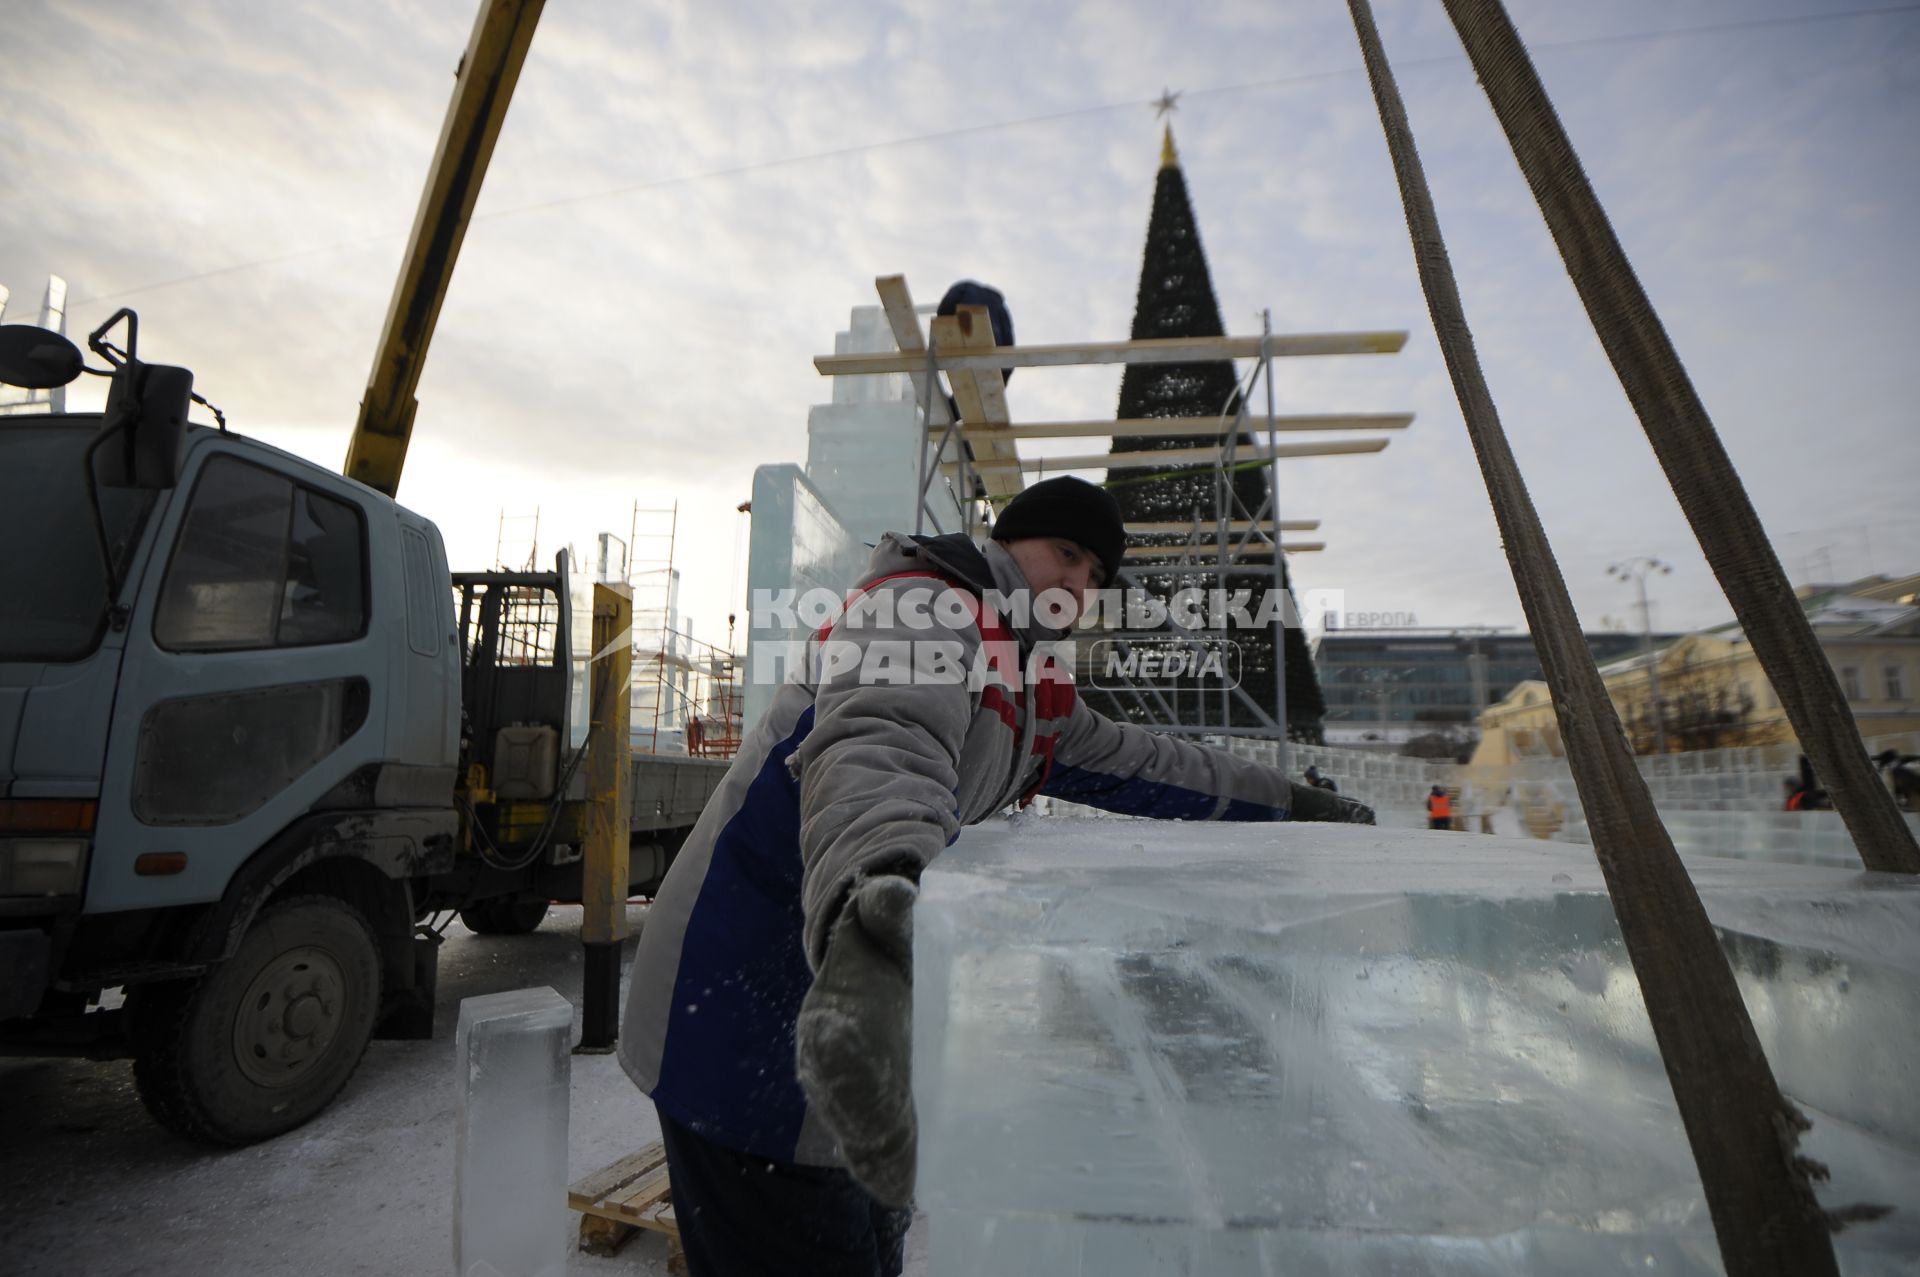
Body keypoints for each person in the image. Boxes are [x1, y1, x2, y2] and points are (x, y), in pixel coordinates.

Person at [617, 476, 1372, 1277]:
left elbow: (1154, 763)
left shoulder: (1030, 685)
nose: (1079, 586)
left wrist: (1295, 802)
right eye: (1068, 554)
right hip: (749, 1005)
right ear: (1010, 540)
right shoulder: (923, 607)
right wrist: (870, 922)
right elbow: (882, 747)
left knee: (872, 1246)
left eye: (1096, 577)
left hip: (868, 1006)